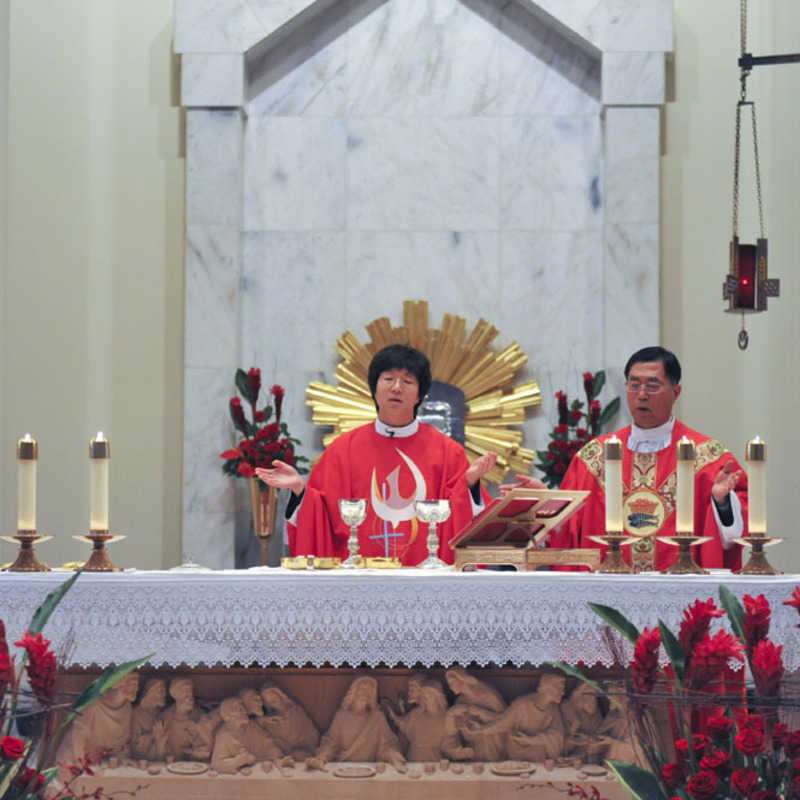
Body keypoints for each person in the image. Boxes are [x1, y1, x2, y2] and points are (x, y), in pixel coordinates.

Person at [507, 346, 748, 570]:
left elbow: (737, 531)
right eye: (634, 385)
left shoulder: (709, 459)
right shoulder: (594, 458)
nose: (641, 394)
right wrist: (547, 503)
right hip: (605, 595)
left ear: (676, 393)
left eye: (652, 385)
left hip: (680, 593)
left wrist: (723, 504)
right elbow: (568, 536)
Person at [256, 344, 497, 566]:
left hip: (426, 584)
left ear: (420, 395)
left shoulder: (447, 452)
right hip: (359, 584)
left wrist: (470, 484)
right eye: (388, 379)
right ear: (374, 388)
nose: (396, 388)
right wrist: (300, 491)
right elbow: (322, 513)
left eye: (407, 382)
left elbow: (462, 519)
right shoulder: (343, 450)